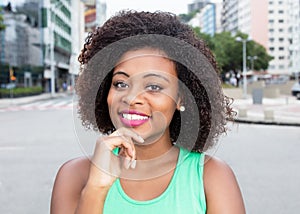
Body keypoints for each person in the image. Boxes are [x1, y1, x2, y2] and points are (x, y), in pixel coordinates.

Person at [50, 11, 245, 214]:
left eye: (154, 86)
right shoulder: (74, 176)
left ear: (181, 99)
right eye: (120, 83)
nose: (132, 98)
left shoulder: (212, 177)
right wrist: (95, 189)